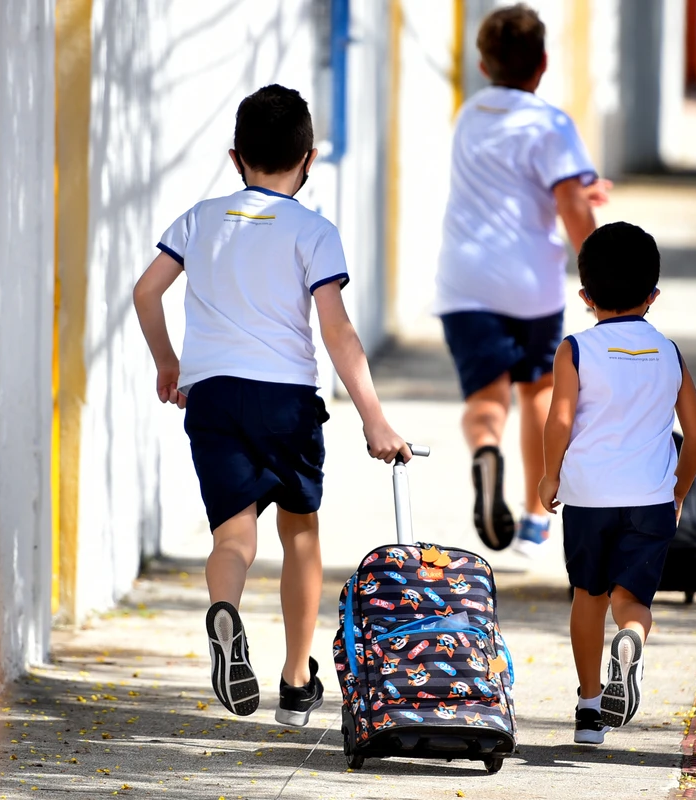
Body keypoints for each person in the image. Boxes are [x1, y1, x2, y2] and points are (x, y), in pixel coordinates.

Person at [132, 85, 410, 726]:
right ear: (308, 160)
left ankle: (225, 611)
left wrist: (168, 363)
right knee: (300, 532)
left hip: (212, 395)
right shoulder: (313, 231)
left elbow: (147, 292)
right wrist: (374, 417)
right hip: (285, 400)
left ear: (236, 158)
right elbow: (337, 329)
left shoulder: (199, 219)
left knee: (233, 535)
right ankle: (295, 680)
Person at [435, 3, 610, 557]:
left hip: (465, 281)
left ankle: (485, 449)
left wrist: (573, 188)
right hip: (529, 281)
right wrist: (601, 274)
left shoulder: (469, 115)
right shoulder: (549, 123)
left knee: (486, 396)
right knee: (538, 389)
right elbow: (570, 204)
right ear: (544, 63)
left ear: (483, 66)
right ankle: (537, 518)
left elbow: (514, 181)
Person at [538, 222, 696, 743]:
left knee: (588, 595)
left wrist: (549, 476)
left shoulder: (575, 350)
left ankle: (590, 711)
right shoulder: (669, 353)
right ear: (653, 295)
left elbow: (559, 421)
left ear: (585, 297)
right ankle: (631, 637)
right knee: (631, 600)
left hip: (589, 497)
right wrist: (677, 492)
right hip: (650, 499)